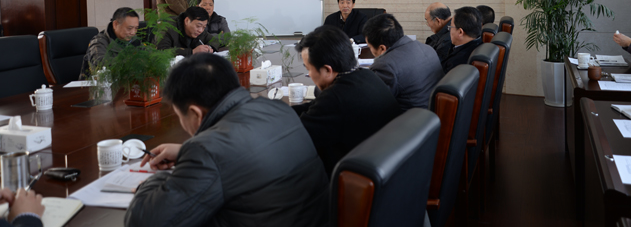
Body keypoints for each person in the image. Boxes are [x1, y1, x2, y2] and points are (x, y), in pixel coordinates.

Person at [125, 54, 329, 227]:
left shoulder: (205, 151)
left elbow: (144, 221)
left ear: (195, 113)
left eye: (180, 116)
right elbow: (242, 154)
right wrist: (185, 152)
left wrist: (154, 182)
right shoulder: (278, 109)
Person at [293, 25, 401, 176]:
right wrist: (283, 111)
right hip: (387, 167)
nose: (309, 74)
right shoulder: (366, 75)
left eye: (308, 68)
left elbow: (295, 137)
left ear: (327, 70)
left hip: (353, 178)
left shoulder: (335, 99)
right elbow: (316, 107)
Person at [365, 14, 443, 111]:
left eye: (369, 47)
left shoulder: (385, 66)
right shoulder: (427, 48)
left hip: (409, 118)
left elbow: (373, 103)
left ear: (382, 48)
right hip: (431, 113)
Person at [79, 7, 140, 79]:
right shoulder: (98, 42)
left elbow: (147, 57)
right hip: (97, 84)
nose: (133, 32)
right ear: (115, 24)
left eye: (136, 28)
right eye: (129, 28)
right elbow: (101, 65)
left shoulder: (134, 40)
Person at [441, 6, 484, 74]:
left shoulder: (456, 63)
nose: (449, 31)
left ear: (460, 32)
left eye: (451, 27)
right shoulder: (480, 43)